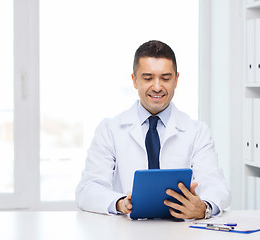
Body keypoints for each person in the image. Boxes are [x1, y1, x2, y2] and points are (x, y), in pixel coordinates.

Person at [76, 40, 231, 219]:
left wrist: (203, 208)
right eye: (148, 78)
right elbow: (87, 189)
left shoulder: (197, 132)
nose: (157, 87)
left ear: (176, 80)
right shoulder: (109, 129)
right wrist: (120, 202)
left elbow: (218, 187)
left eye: (165, 78)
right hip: (126, 232)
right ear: (134, 80)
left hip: (181, 233)